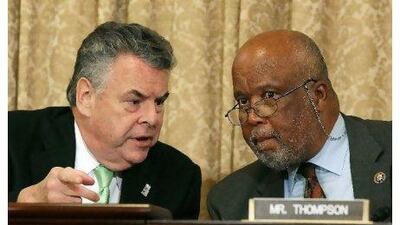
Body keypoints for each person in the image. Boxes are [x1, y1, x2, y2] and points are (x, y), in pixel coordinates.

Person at [9, 21, 201, 219]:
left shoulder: (179, 177)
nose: (152, 118)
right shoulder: (12, 139)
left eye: (159, 101)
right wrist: (26, 201)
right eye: (134, 101)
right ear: (86, 97)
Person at [207, 30, 391, 222]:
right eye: (243, 101)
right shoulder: (229, 202)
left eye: (269, 96)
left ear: (318, 96)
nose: (252, 117)